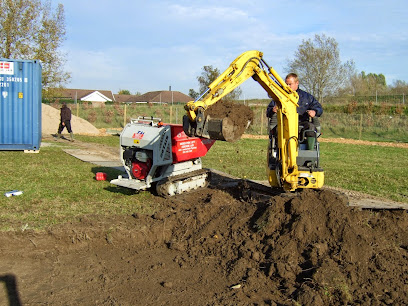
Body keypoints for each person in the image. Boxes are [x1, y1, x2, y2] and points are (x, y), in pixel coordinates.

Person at [266, 73, 323, 149]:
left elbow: (319, 108)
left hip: (302, 122)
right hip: (284, 122)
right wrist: (273, 110)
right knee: (277, 130)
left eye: (290, 84)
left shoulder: (307, 97)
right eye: (286, 84)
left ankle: (310, 150)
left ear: (297, 83)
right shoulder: (280, 96)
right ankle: (279, 150)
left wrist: (314, 111)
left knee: (311, 128)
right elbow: (268, 111)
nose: (288, 86)